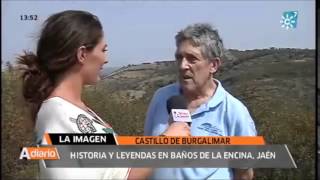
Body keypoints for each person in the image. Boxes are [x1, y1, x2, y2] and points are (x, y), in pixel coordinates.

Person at [18, 10, 190, 180]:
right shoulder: (59, 115)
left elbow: (118, 170)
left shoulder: (74, 110)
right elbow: (125, 175)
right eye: (103, 50)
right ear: (82, 54)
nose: (105, 59)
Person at [144, 23, 257, 180]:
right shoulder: (161, 97)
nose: (183, 66)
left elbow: (244, 174)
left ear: (213, 65)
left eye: (192, 59)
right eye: (179, 57)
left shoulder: (233, 111)